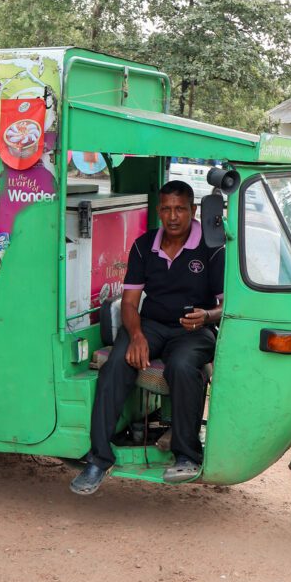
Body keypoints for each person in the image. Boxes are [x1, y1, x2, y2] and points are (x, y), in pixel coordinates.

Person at [70, 180, 224, 496]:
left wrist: (206, 316)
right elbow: (129, 303)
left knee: (182, 367)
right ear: (159, 211)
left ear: (192, 211)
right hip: (151, 325)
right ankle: (99, 458)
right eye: (166, 209)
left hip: (194, 330)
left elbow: (227, 307)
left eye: (180, 209)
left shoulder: (211, 248)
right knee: (117, 364)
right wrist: (137, 335)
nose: (173, 216)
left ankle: (186, 454)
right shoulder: (144, 245)